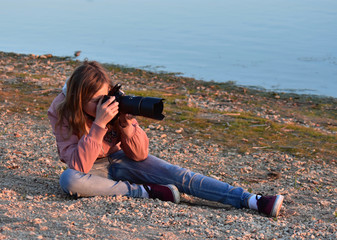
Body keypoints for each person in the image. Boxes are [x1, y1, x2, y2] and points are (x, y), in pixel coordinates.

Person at [48, 61, 284, 217]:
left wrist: (125, 123)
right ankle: (145, 192)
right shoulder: (61, 111)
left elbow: (139, 154)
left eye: (105, 97)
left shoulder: (115, 102)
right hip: (93, 171)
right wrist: (99, 125)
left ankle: (251, 199)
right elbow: (79, 167)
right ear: (78, 100)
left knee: (180, 175)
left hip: (120, 160)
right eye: (94, 101)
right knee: (69, 180)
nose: (103, 104)